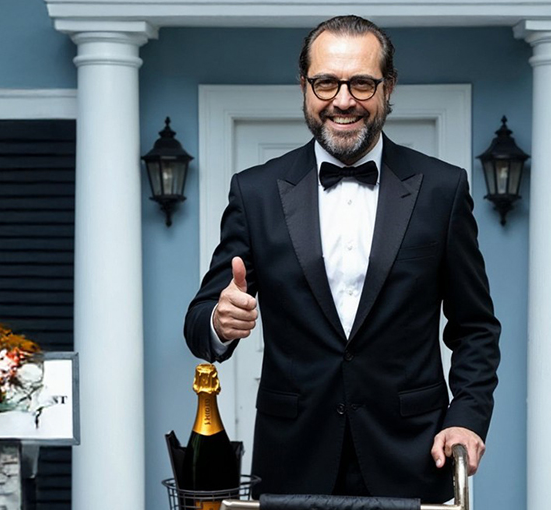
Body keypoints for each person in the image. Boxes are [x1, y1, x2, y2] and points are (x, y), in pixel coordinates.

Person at [184, 15, 501, 502]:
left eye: (362, 83)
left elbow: (475, 327)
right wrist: (219, 322)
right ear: (305, 87)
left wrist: (467, 418)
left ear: (388, 87)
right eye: (326, 83)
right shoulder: (255, 192)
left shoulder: (443, 189)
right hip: (292, 459)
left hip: (413, 454)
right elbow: (199, 323)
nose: (343, 100)